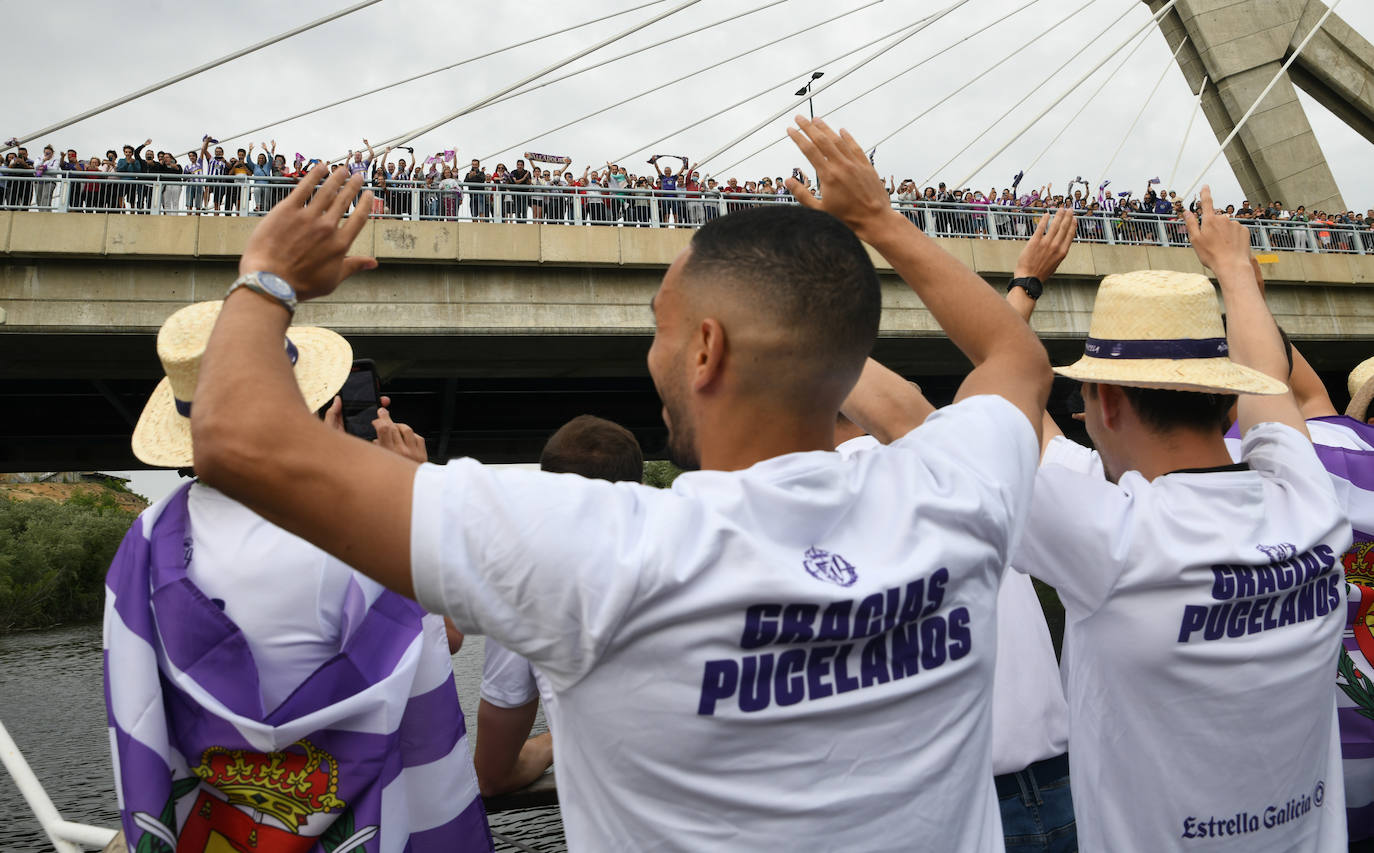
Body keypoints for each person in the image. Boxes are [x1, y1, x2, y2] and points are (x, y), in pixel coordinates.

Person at [186, 116, 1051, 850]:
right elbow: (1015, 356)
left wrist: (267, 275)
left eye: (660, 329)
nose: (653, 352)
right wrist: (881, 222)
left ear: (707, 350)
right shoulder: (955, 495)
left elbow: (233, 438)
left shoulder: (606, 551)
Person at [1010, 188, 1351, 851]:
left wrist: (1022, 283)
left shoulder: (1108, 536)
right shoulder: (1308, 501)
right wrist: (1233, 269)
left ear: (1105, 402)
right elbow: (1270, 384)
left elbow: (977, 411)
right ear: (1228, 396)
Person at [106, 300, 493, 851]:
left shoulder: (147, 541)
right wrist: (408, 494)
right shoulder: (356, 532)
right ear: (297, 405)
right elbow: (443, 636)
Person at [838, 210, 1081, 853]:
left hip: (960, 801)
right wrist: (1025, 284)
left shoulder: (843, 501)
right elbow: (970, 395)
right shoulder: (919, 477)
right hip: (1033, 791)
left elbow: (968, 403)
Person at [475, 415, 645, 797]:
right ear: (641, 487)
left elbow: (493, 775)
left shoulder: (524, 590)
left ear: (547, 495)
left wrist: (558, 738)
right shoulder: (708, 559)